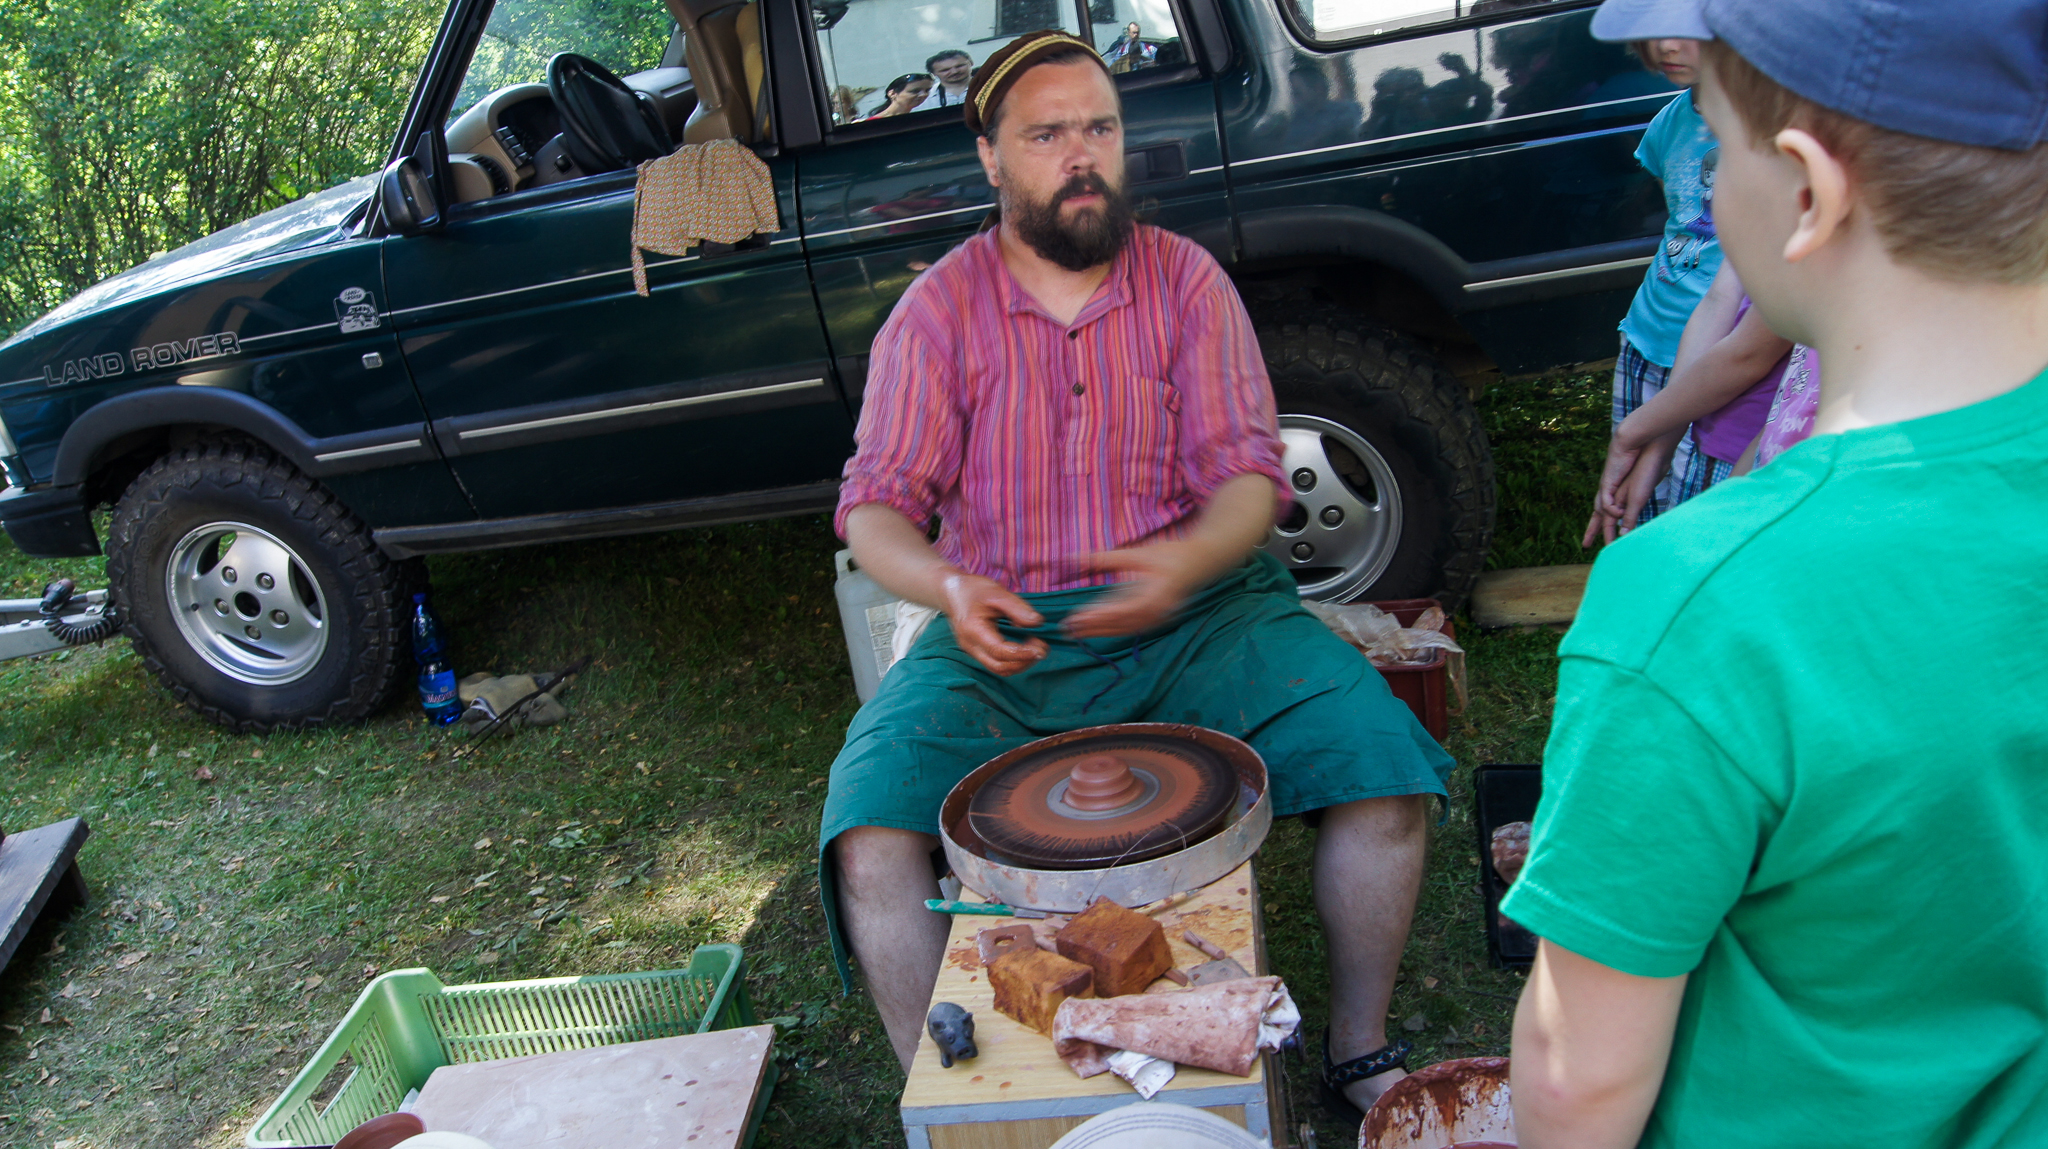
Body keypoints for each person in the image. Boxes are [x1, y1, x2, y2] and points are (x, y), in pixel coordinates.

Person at [817, 29, 1452, 1118]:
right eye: (1046, 135)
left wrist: (1185, 560)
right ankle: (955, 1100)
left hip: (1204, 610)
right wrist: (948, 588)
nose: (1081, 156)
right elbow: (874, 509)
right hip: (1005, 631)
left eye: (1099, 128)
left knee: (1381, 767)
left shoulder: (1186, 282)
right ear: (990, 157)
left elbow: (1248, 482)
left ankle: (1356, 1049)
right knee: (869, 837)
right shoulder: (935, 314)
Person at [1507, 2, 2048, 1147]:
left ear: (1808, 189)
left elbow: (1578, 1081)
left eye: (1713, 139)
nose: (1708, 185)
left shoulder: (1696, 603)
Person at [1582, 261, 1792, 543]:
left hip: (1760, 453)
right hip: (1711, 440)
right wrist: (1660, 446)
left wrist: (1628, 434)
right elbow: (1718, 299)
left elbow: (1749, 354)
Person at [1601, 34, 1720, 525]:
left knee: (1694, 514)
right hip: (1646, 338)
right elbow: (1682, 222)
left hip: (1719, 355)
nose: (1666, 46)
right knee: (1636, 508)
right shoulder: (1667, 123)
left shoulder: (1774, 125)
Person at [865, 73, 933, 119]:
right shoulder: (874, 123)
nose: (923, 94)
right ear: (892, 94)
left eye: (927, 90)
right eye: (915, 91)